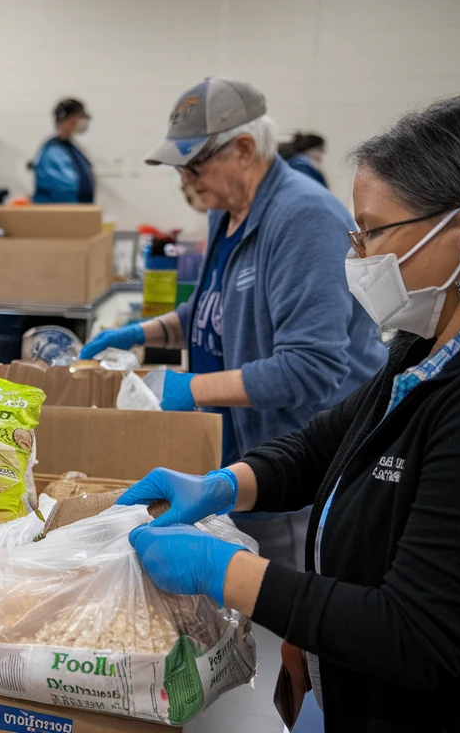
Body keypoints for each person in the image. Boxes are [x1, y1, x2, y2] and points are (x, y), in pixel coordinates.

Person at [118, 91, 460, 731]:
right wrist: (226, 484)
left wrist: (228, 573)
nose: (357, 257)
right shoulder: (421, 347)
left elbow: (413, 632)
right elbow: (326, 443)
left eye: (374, 233)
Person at [80, 78, 386, 568]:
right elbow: (211, 312)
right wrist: (144, 334)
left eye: (194, 165)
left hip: (294, 472)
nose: (186, 181)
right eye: (181, 168)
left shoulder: (302, 218)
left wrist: (191, 388)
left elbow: (311, 366)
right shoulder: (227, 212)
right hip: (239, 455)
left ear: (243, 148)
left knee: (274, 610)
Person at [31, 98, 94, 204]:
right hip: (59, 214)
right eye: (78, 117)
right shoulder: (53, 152)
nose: (80, 122)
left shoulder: (70, 148)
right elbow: (65, 189)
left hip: (75, 212)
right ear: (68, 119)